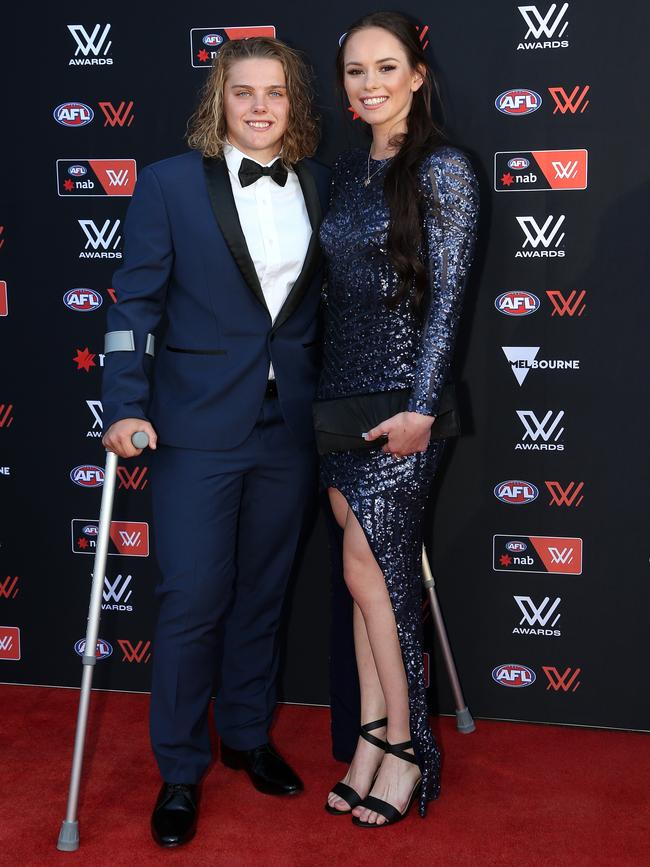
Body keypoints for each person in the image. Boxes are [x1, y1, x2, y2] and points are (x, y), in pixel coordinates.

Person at [101, 37, 329, 848]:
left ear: (294, 103)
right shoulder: (166, 184)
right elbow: (134, 310)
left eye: (275, 92)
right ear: (219, 100)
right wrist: (123, 405)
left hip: (289, 426)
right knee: (195, 598)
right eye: (244, 93)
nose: (261, 106)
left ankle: (247, 733)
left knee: (263, 593)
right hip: (195, 426)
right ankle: (179, 768)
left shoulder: (318, 182)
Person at [317, 12, 479, 826]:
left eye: (386, 67)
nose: (370, 84)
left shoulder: (444, 168)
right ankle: (370, 741)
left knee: (372, 569)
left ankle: (412, 746)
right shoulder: (344, 176)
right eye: (355, 71)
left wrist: (420, 406)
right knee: (360, 577)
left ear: (417, 74)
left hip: (406, 401)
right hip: (338, 395)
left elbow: (450, 298)